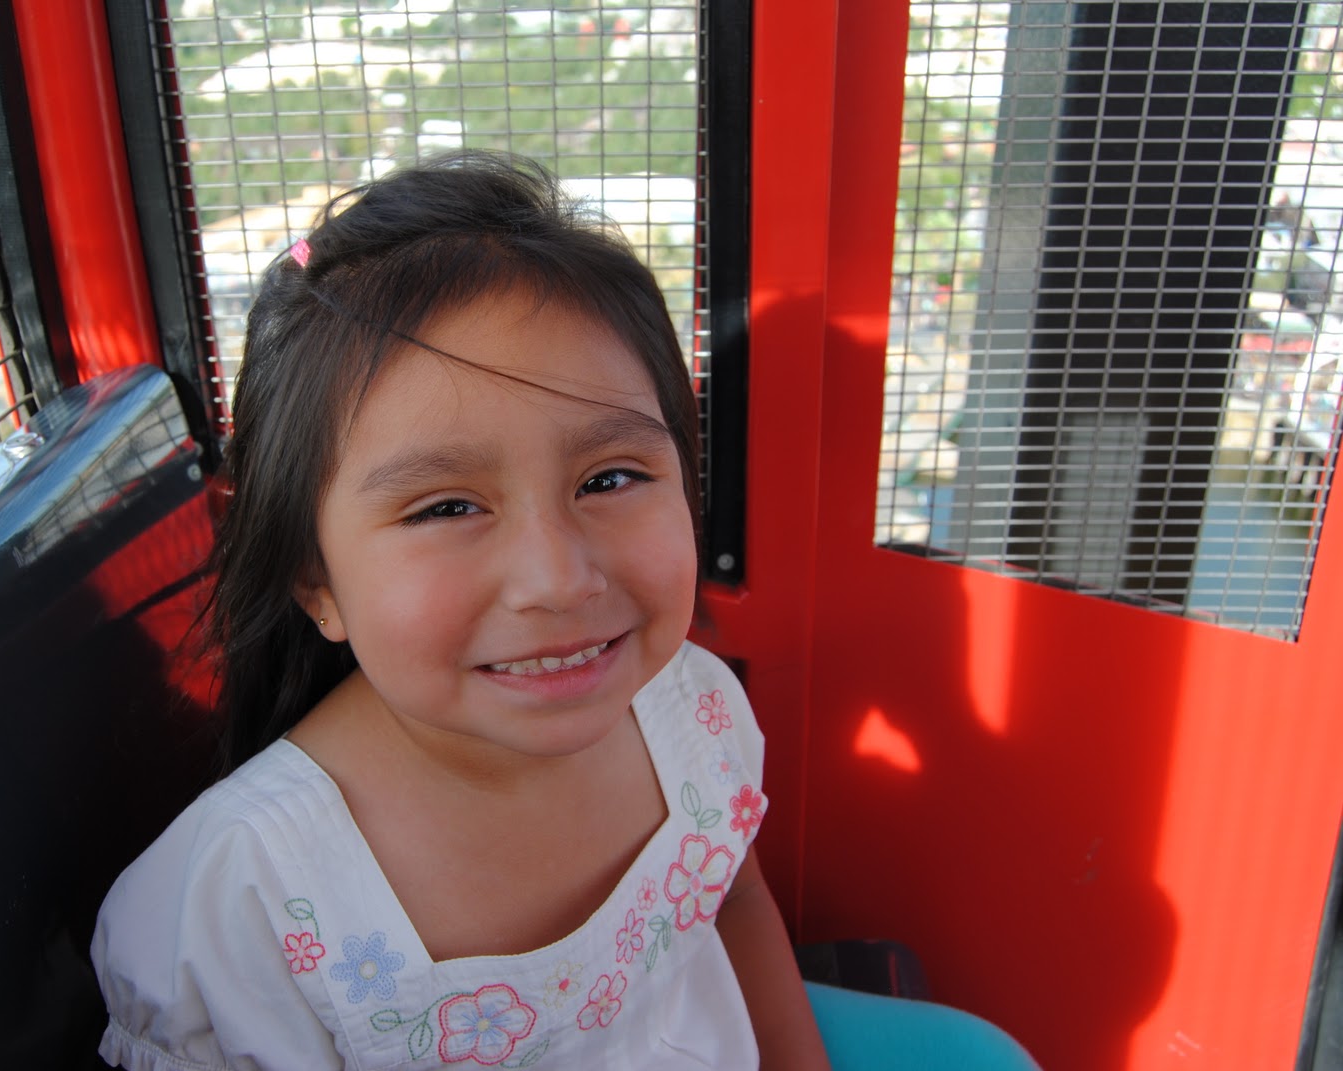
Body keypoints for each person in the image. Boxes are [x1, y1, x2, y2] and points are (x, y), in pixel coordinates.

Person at [91, 151, 1039, 1070]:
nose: (557, 578)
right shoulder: (241, 903)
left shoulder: (693, 713)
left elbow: (735, 901)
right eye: (447, 508)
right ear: (316, 581)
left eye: (610, 478)